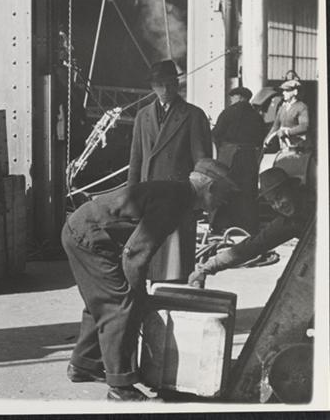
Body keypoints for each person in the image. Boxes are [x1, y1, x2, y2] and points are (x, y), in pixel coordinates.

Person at [62, 159, 236, 401]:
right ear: (210, 187)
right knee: (119, 306)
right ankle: (121, 388)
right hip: (87, 236)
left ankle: (83, 364)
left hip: (85, 230)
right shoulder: (174, 201)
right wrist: (138, 297)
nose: (224, 201)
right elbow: (134, 254)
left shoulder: (179, 196)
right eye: (224, 194)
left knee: (102, 301)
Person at [128, 59, 213, 281]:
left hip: (178, 196)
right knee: (151, 255)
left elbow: (202, 163)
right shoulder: (143, 116)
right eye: (160, 85)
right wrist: (131, 198)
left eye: (170, 84)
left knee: (176, 260)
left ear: (177, 85)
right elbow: (136, 160)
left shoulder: (193, 115)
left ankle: (176, 291)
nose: (165, 90)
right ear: (152, 87)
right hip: (149, 195)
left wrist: (199, 199)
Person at [188, 167, 315, 287]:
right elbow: (252, 246)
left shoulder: (318, 203)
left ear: (292, 189)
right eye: (272, 202)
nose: (278, 205)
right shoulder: (288, 222)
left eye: (279, 197)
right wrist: (207, 268)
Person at [210, 86, 265, 234]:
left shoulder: (228, 112)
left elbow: (216, 133)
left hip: (229, 156)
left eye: (233, 97)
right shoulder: (256, 115)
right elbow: (260, 138)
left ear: (239, 97)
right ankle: (248, 226)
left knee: (225, 187)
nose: (231, 100)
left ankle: (222, 225)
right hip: (249, 157)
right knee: (248, 191)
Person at [263, 79, 310, 152]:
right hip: (284, 146)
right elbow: (275, 127)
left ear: (295, 92)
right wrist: (266, 140)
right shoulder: (282, 108)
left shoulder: (301, 107)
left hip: (298, 148)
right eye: (283, 91)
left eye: (287, 91)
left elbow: (304, 126)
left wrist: (287, 132)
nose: (283, 93)